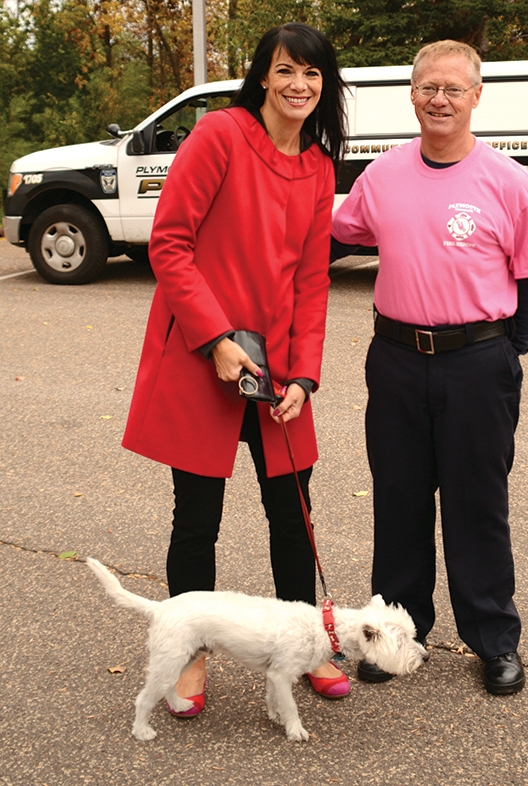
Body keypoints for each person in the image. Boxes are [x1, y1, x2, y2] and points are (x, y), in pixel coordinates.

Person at [122, 22, 349, 714]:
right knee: (198, 518)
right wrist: (216, 339)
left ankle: (304, 644)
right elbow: (170, 242)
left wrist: (304, 376)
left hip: (278, 365)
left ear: (324, 85)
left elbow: (312, 282)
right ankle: (188, 657)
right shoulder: (219, 135)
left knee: (291, 511)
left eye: (311, 74)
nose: (297, 85)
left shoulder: (316, 167)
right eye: (284, 70)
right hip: (204, 357)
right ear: (261, 77)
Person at [331, 40, 528, 695]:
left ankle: (493, 642)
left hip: (478, 366)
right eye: (428, 87)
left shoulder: (507, 182)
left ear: (475, 97)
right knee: (399, 505)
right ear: (411, 94)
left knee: (476, 508)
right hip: (397, 362)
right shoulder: (382, 176)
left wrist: (500, 352)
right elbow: (331, 236)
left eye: (452, 89)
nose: (439, 99)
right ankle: (396, 637)